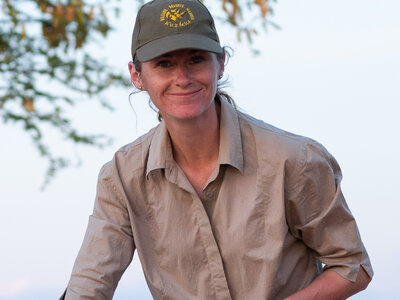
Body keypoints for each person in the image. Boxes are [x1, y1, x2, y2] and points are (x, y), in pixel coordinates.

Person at [61, 0, 373, 299]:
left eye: (196, 59)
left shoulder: (293, 159)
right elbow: (90, 283)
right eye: (164, 64)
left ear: (220, 63)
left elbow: (352, 266)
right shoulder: (121, 176)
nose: (182, 78)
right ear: (136, 75)